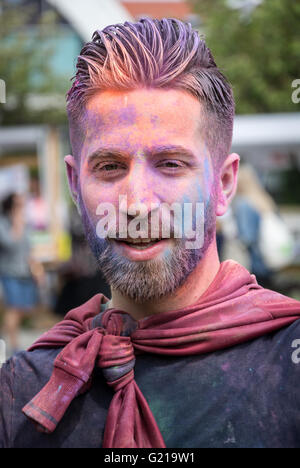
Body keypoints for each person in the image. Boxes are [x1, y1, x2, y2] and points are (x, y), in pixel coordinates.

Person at [1, 18, 300, 449]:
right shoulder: (21, 393)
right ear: (73, 185)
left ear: (224, 185)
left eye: (171, 164)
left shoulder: (288, 370)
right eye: (109, 167)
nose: (137, 203)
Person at [0, 193, 43, 353]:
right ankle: (14, 345)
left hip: (24, 272)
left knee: (24, 309)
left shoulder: (26, 224)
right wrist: (17, 223)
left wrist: (37, 270)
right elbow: (10, 243)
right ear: (11, 205)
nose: (22, 208)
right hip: (9, 272)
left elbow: (28, 250)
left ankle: (5, 334)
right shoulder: (3, 223)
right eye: (18, 205)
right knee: (14, 308)